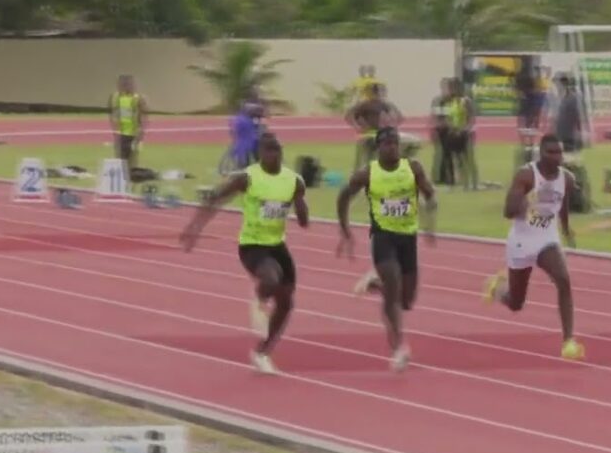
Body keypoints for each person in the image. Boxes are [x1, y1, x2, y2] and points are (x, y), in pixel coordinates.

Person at [179, 132, 309, 375]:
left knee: (286, 302)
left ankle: (263, 351)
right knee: (271, 277)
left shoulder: (293, 181)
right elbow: (216, 198)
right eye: (268, 151)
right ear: (260, 154)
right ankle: (259, 299)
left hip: (277, 245)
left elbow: (303, 218)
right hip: (252, 245)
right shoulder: (247, 178)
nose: (273, 155)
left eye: (277, 150)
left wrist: (301, 207)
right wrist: (194, 226)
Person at [335, 127, 437, 372]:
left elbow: (429, 195)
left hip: (407, 239)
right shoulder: (368, 173)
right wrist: (345, 231)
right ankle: (399, 347)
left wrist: (429, 223)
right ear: (378, 147)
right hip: (383, 237)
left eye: (395, 143)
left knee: (407, 300)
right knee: (393, 288)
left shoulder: (413, 168)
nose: (392, 147)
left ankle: (377, 285)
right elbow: (343, 197)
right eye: (387, 143)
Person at [483, 134, 585, 360]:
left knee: (563, 279)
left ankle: (568, 341)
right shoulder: (526, 175)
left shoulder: (566, 178)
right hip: (522, 240)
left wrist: (567, 230)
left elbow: (563, 205)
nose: (557, 157)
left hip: (546, 238)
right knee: (516, 303)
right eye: (551, 152)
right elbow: (507, 212)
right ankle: (497, 289)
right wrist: (523, 201)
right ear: (541, 153)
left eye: (559, 152)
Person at [108, 75, 148, 185]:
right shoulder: (115, 97)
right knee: (120, 157)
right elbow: (113, 114)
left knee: (132, 158)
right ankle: (120, 180)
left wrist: (142, 131)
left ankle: (131, 179)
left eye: (129, 84)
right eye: (123, 84)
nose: (126, 87)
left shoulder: (138, 98)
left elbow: (144, 115)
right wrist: (114, 129)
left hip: (133, 133)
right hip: (121, 133)